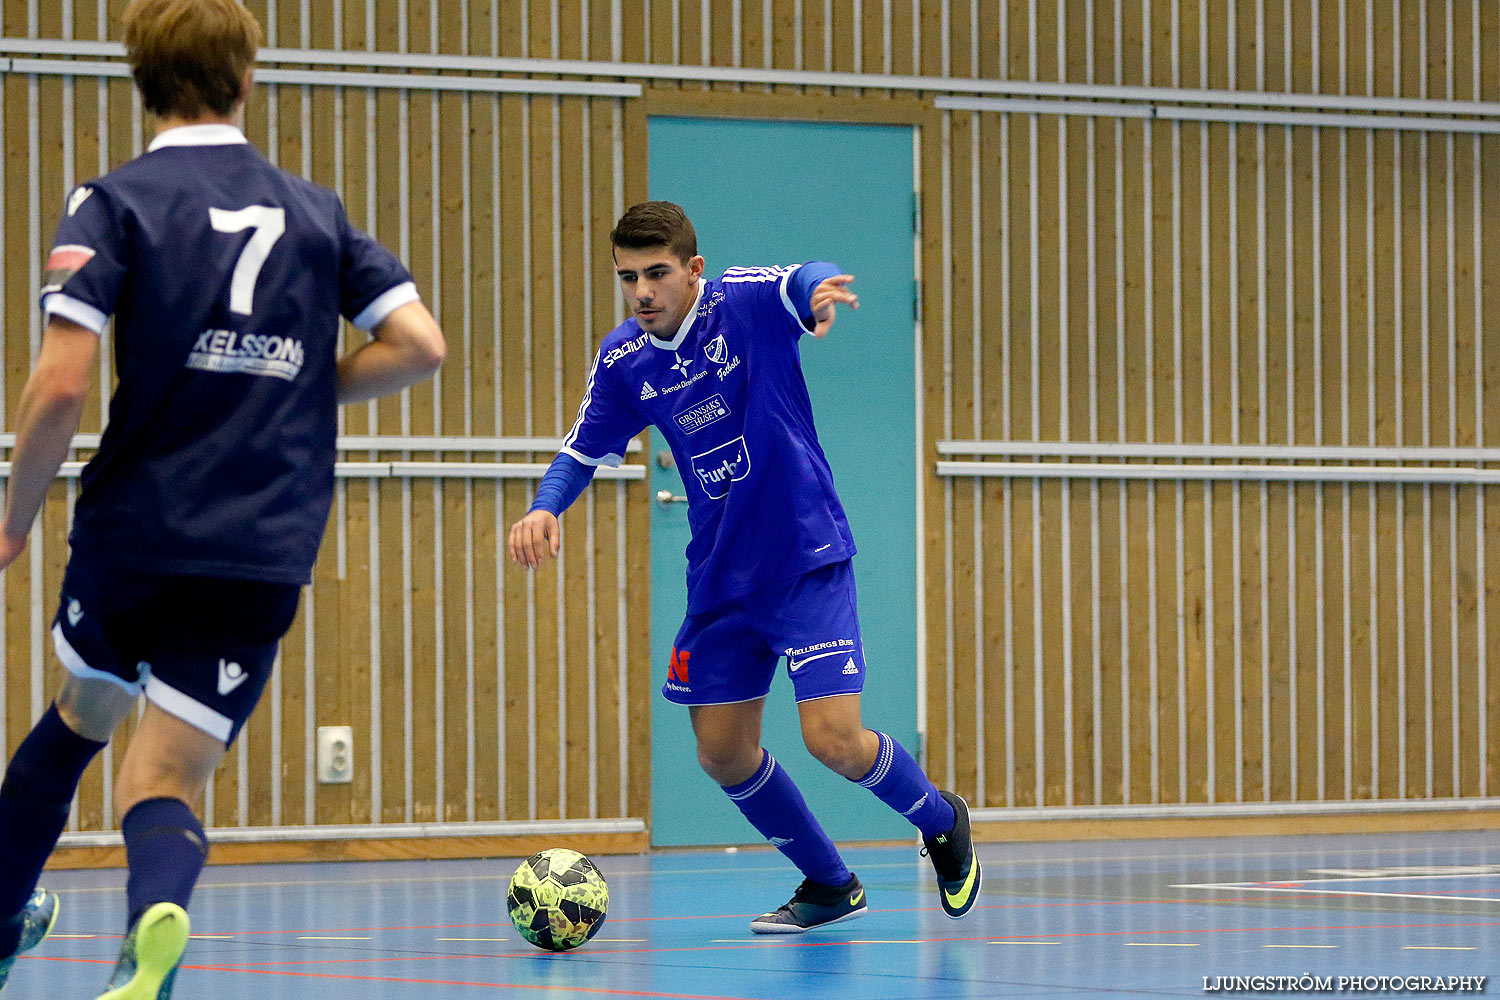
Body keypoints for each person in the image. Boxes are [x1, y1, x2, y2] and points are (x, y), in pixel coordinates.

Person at [0, 0, 445, 995]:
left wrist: (16, 517)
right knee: (162, 778)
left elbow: (62, 384)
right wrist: (300, 384)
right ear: (247, 79)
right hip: (261, 544)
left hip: (135, 533)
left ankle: (1, 919)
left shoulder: (113, 201)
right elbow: (421, 343)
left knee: (81, 712)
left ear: (140, 82)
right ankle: (156, 916)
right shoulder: (316, 210)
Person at [509, 201, 980, 933]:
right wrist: (546, 507)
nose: (642, 293)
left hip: (802, 557)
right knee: (722, 754)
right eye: (628, 277)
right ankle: (829, 884)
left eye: (657, 274)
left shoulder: (742, 302)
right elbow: (581, 447)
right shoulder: (625, 358)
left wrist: (821, 291)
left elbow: (800, 281)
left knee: (833, 740)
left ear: (692, 271)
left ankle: (941, 819)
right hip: (721, 579)